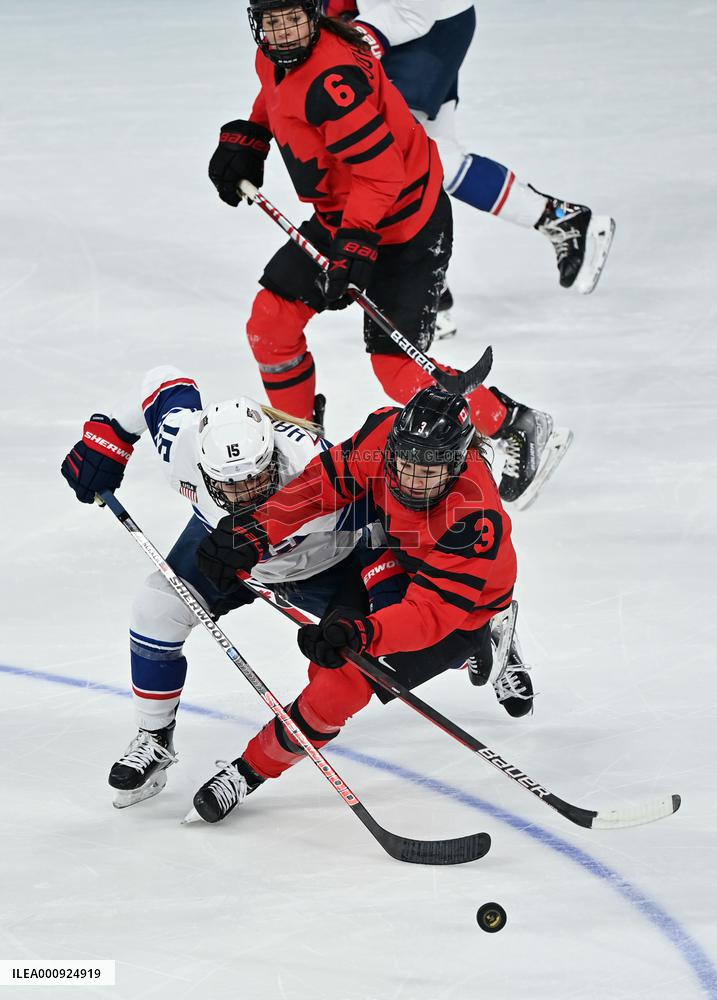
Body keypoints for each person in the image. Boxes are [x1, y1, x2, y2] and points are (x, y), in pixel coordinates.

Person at [209, 0, 571, 507]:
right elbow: (277, 92)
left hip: (405, 229)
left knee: (398, 373)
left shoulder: (334, 81)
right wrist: (253, 135)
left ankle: (514, 423)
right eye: (272, 20)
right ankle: (306, 449)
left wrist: (356, 244)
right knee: (271, 322)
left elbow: (383, 172)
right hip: (343, 218)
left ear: (315, 14)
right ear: (256, 22)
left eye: (293, 17)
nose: (284, 31)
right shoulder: (275, 57)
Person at [189, 385, 533, 824]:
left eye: (427, 473)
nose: (410, 479)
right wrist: (256, 530)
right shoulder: (387, 434)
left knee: (339, 688)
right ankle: (479, 650)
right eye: (403, 465)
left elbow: (429, 614)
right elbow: (323, 483)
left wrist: (363, 633)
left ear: (459, 461)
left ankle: (249, 770)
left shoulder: (475, 519)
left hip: (465, 605)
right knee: (334, 670)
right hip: (390, 551)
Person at [60, 365, 371, 808]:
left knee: (405, 646)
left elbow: (387, 520)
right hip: (223, 549)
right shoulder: (184, 444)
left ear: (274, 460)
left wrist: (377, 596)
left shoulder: (315, 470)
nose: (244, 493)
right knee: (157, 606)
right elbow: (162, 382)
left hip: (329, 563)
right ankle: (154, 736)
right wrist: (109, 439)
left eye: (255, 479)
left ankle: (487, 630)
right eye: (230, 484)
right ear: (203, 469)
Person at [322, 0, 616, 336]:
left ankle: (426, 294)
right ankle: (556, 222)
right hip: (410, 22)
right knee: (435, 158)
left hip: (422, 19)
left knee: (399, 158)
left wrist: (353, 36)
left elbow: (414, 10)